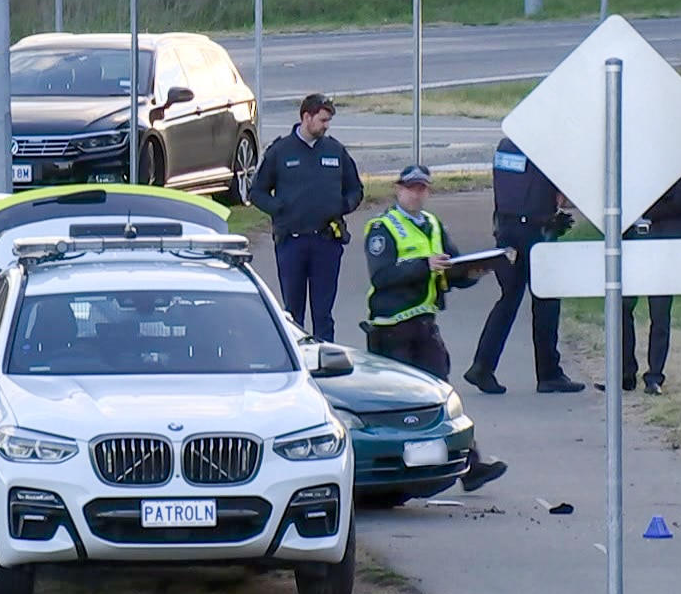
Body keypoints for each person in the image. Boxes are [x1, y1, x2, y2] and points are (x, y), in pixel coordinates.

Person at [363, 165, 507, 491]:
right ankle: (388, 475)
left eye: (422, 188)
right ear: (398, 190)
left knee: (442, 397)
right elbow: (381, 277)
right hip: (391, 327)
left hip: (424, 324)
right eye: (410, 188)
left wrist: (474, 271)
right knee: (396, 406)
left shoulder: (432, 225)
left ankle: (471, 466)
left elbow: (451, 272)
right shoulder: (383, 228)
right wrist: (422, 265)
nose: (416, 194)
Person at [464, 138, 587, 395]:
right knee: (546, 300)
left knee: (508, 299)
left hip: (506, 231)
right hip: (538, 232)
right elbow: (563, 199)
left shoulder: (505, 147)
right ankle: (549, 373)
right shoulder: (548, 150)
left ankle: (482, 365)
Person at [248, 93, 363, 341]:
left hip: (326, 242)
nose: (326, 126)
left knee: (323, 314)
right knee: (293, 313)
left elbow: (356, 189)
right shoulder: (281, 151)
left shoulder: (335, 150)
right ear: (306, 117)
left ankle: (325, 363)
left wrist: (342, 205)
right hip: (292, 242)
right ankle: (298, 363)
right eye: (322, 120)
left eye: (328, 121)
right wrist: (280, 208)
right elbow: (257, 192)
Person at [607, 167, 681, 396]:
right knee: (621, 306)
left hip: (664, 243)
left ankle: (654, 376)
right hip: (631, 240)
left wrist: (643, 208)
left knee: (659, 312)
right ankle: (625, 374)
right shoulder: (632, 156)